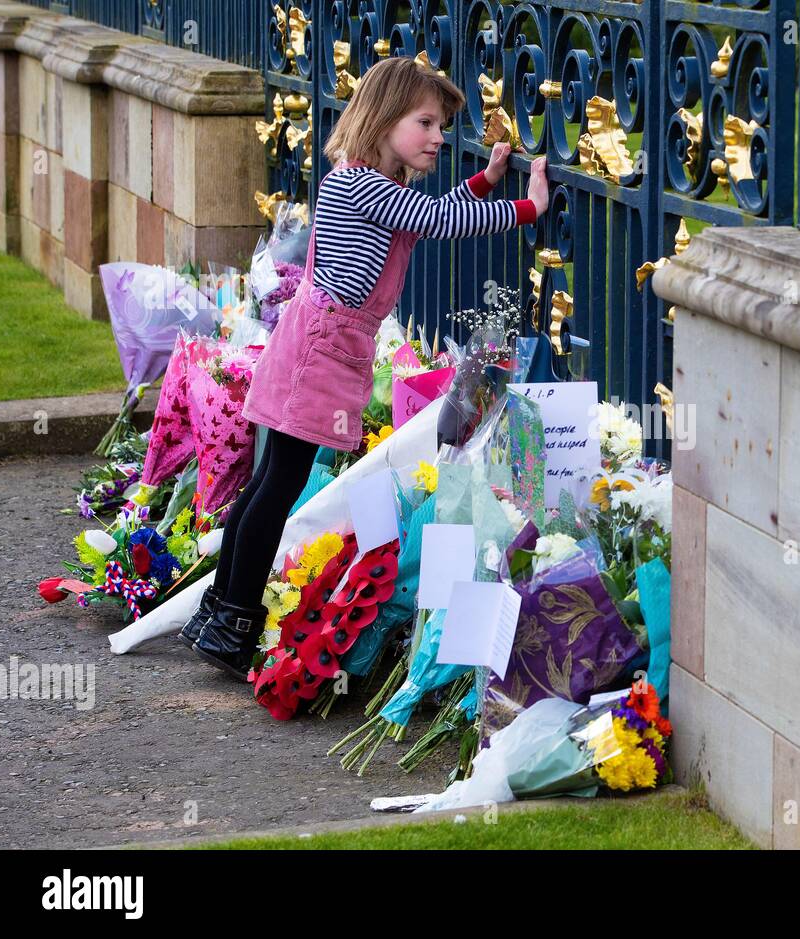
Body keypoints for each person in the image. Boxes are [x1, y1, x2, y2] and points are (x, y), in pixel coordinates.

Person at [180, 56, 549, 679]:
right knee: (278, 483)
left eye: (440, 126)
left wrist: (484, 183)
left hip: (318, 345)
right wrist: (526, 208)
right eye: (426, 123)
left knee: (269, 479)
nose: (438, 138)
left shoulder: (370, 187)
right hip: (319, 353)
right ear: (383, 120)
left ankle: (222, 613)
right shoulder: (362, 186)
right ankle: (234, 621)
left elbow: (431, 215)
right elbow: (440, 221)